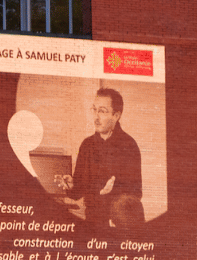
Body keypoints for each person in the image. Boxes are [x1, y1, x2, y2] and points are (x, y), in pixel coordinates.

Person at [60, 88, 142, 227]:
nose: (96, 117)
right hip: (91, 221)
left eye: (102, 111)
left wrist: (113, 191)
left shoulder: (129, 146)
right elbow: (77, 193)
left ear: (116, 115)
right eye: (94, 109)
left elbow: (136, 193)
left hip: (117, 224)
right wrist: (71, 185)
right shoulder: (87, 145)